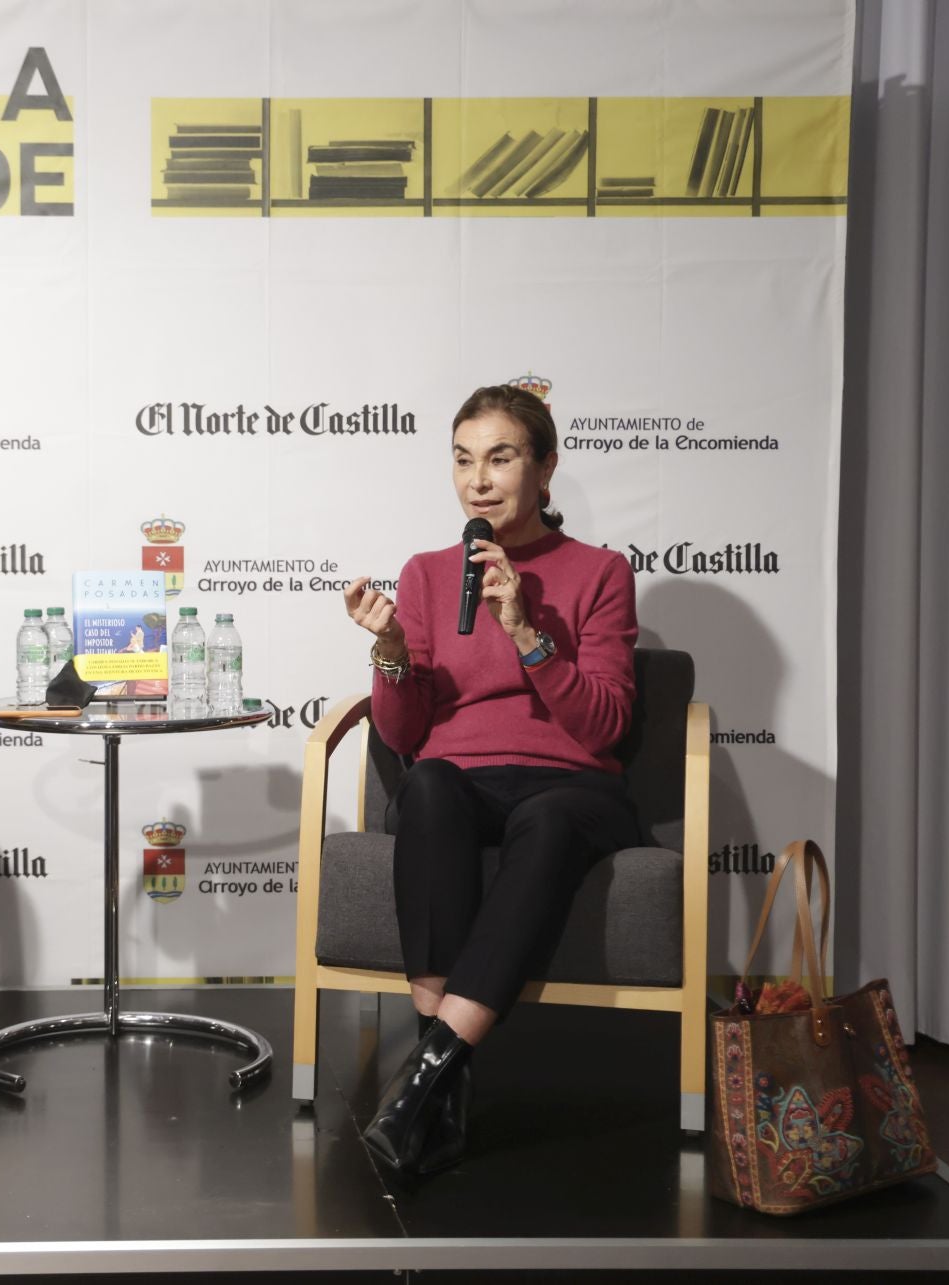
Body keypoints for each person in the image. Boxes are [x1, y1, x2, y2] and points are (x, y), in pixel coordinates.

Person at [340, 384, 638, 1176]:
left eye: (500, 457)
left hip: (571, 785)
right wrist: (394, 649)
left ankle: (423, 1077)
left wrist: (525, 632)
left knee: (549, 820)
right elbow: (403, 737)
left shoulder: (600, 572)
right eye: (464, 459)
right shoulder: (429, 574)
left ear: (544, 468)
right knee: (429, 785)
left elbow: (605, 725)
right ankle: (441, 1089)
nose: (479, 479)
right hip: (464, 778)